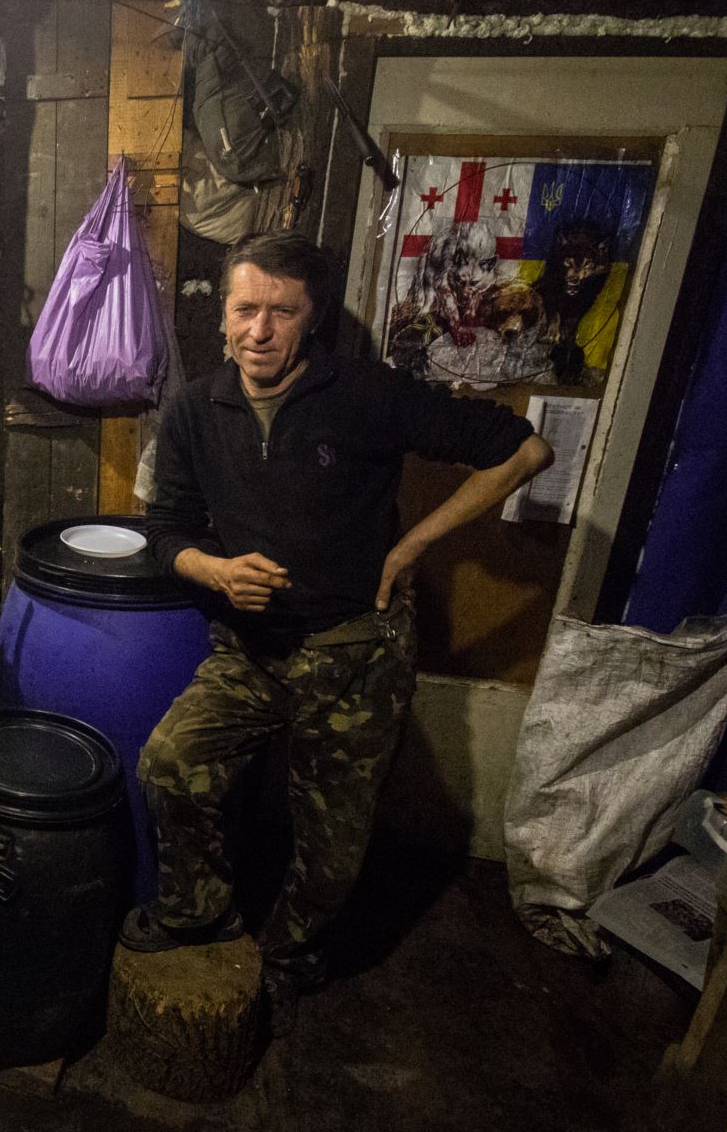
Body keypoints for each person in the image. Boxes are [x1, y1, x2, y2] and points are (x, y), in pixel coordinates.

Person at [121, 233, 554, 1034]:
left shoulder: (366, 394)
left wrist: (415, 543)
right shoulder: (194, 411)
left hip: (356, 651)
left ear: (311, 318)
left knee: (333, 833)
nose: (259, 331)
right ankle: (198, 912)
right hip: (249, 651)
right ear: (223, 314)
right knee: (171, 764)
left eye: (280, 313)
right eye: (244, 309)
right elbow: (165, 527)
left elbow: (524, 449)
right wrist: (213, 572)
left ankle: (291, 956)